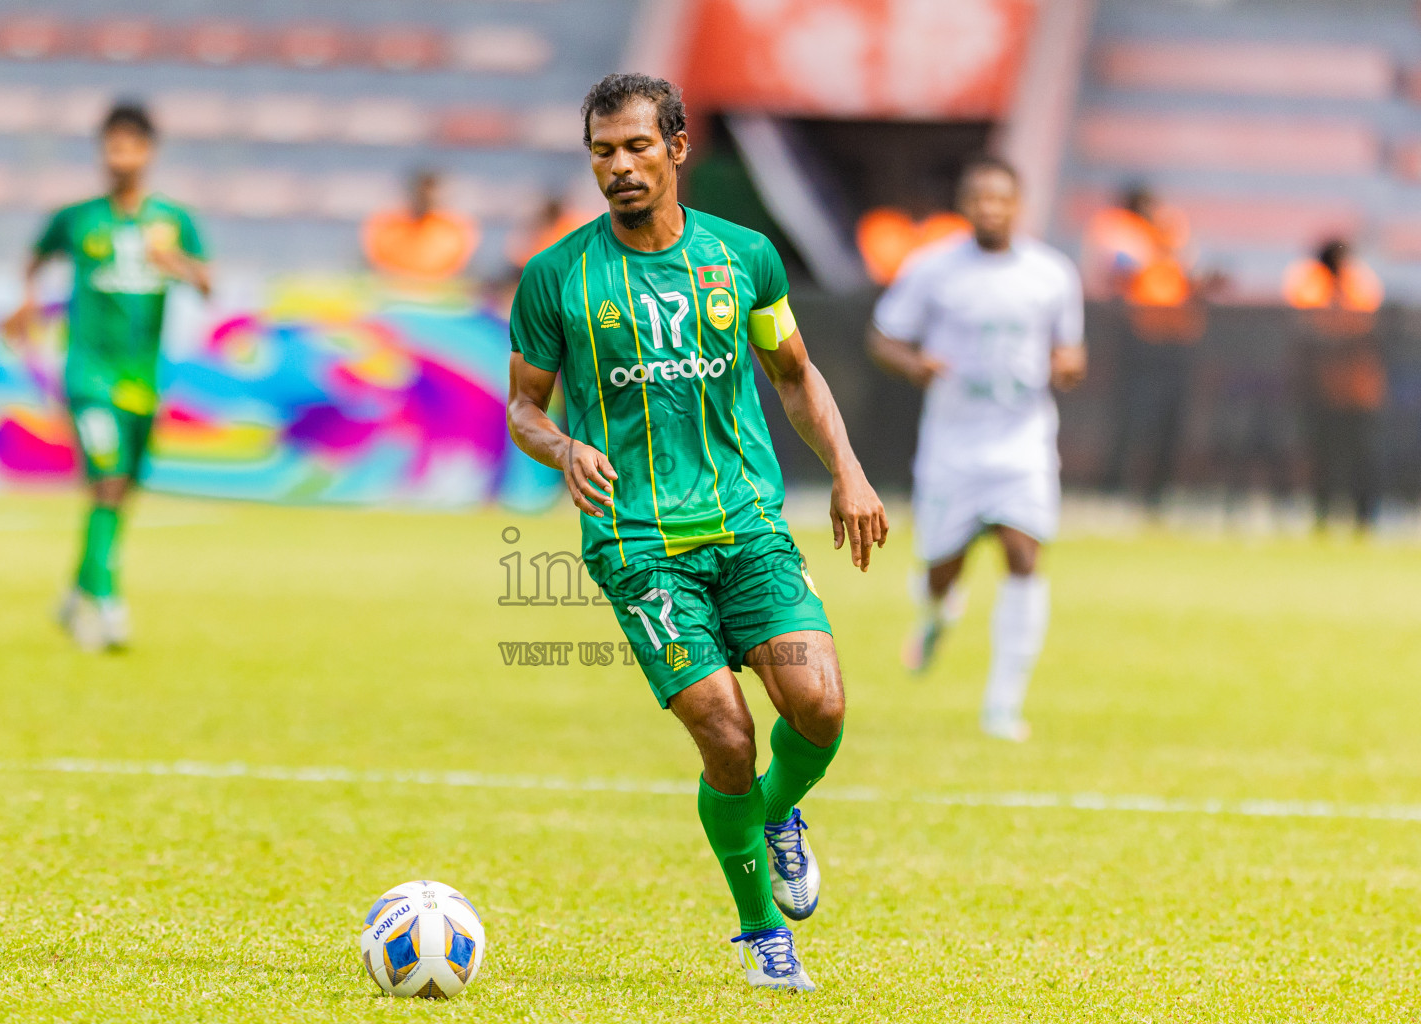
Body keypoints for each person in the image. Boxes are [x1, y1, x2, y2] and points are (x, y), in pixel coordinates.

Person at [507, 73, 887, 991]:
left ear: (677, 148)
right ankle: (762, 934)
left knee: (822, 709)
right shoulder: (557, 276)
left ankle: (776, 814)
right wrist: (561, 448)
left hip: (747, 527)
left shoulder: (745, 257)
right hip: (637, 544)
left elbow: (793, 375)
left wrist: (848, 470)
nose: (619, 167)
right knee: (724, 732)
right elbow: (523, 407)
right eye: (603, 151)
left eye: (638, 146)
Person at [867, 156, 1086, 742]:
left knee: (1023, 555)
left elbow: (1071, 352)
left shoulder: (1052, 273)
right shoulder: (933, 270)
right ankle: (937, 614)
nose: (990, 207)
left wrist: (1067, 366)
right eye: (979, 197)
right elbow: (884, 337)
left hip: (1023, 443)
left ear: (1019, 204)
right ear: (964, 205)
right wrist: (916, 364)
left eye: (1001, 198)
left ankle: (1003, 705)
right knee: (943, 569)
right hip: (953, 445)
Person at [4, 101, 211, 652]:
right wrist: (25, 304)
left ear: (149, 152)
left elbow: (210, 284)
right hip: (88, 374)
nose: (120, 157)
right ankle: (108, 602)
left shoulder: (173, 221)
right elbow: (34, 258)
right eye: (111, 146)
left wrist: (181, 267)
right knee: (107, 481)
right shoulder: (77, 218)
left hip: (143, 379)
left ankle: (77, 593)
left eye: (130, 146)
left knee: (122, 491)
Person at [1089, 186, 1208, 509]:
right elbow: (1121, 267)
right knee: (1134, 415)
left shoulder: (1172, 238)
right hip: (1139, 338)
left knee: (1171, 419)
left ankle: (1157, 491)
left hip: (1176, 339)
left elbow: (1191, 275)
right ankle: (1117, 487)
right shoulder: (1124, 232)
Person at [1284, 240, 1386, 529]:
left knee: (1361, 457)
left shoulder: (1360, 283)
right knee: (1322, 456)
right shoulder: (1312, 283)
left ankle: (1364, 518)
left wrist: (1331, 340)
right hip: (1322, 391)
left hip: (1357, 391)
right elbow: (1304, 330)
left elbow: (1363, 331)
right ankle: (1323, 515)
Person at [361, 171, 478, 279]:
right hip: (390, 289)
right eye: (422, 194)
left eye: (431, 195)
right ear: (412, 193)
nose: (426, 199)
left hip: (439, 292)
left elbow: (456, 268)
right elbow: (376, 263)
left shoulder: (455, 227)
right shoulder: (386, 222)